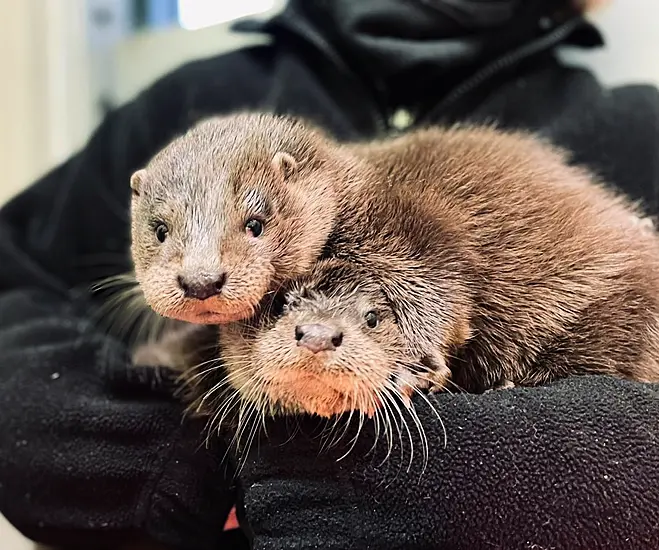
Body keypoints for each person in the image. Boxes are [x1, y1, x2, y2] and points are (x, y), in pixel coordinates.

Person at [2, 0, 659, 549]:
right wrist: (135, 449)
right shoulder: (186, 107)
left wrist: (450, 476)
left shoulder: (637, 129)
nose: (202, 272)